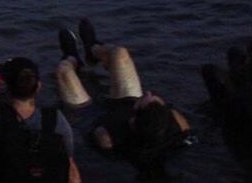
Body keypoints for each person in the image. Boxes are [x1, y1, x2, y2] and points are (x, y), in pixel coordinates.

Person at [56, 18, 190, 172]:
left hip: (90, 113)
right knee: (119, 53)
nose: (148, 93)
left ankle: (72, 58)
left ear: (133, 118)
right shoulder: (178, 124)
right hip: (125, 105)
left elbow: (93, 136)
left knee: (64, 71)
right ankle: (92, 49)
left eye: (146, 99)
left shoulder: (108, 139)